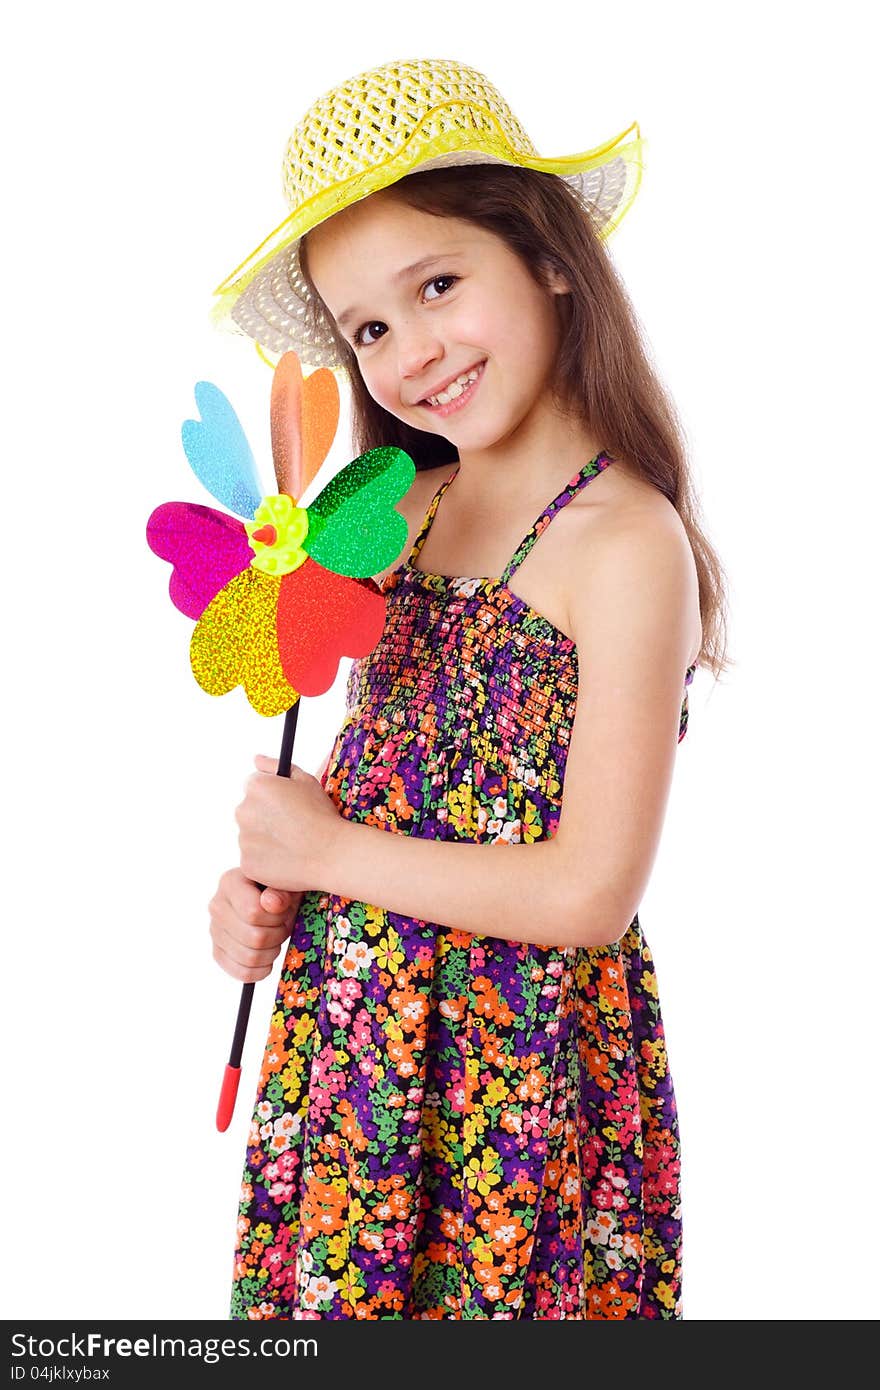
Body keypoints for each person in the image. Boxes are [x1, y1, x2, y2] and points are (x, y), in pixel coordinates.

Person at [207, 56, 730, 1320]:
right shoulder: (390, 513)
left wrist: (328, 853)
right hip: (356, 1067)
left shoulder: (620, 540)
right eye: (370, 329)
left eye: (438, 284)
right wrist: (265, 890)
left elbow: (586, 892)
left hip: (515, 1085)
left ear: (546, 255)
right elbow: (383, 794)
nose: (411, 353)